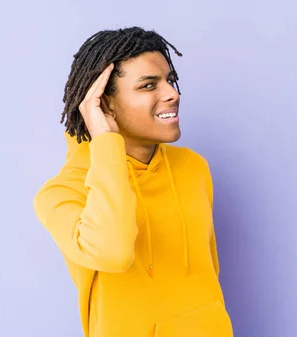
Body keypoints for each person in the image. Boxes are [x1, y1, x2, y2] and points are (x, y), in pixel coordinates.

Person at [33, 26, 233, 337]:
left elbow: (208, 273)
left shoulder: (193, 167)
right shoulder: (62, 193)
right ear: (104, 104)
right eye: (148, 85)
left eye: (170, 80)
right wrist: (106, 144)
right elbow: (112, 253)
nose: (172, 93)